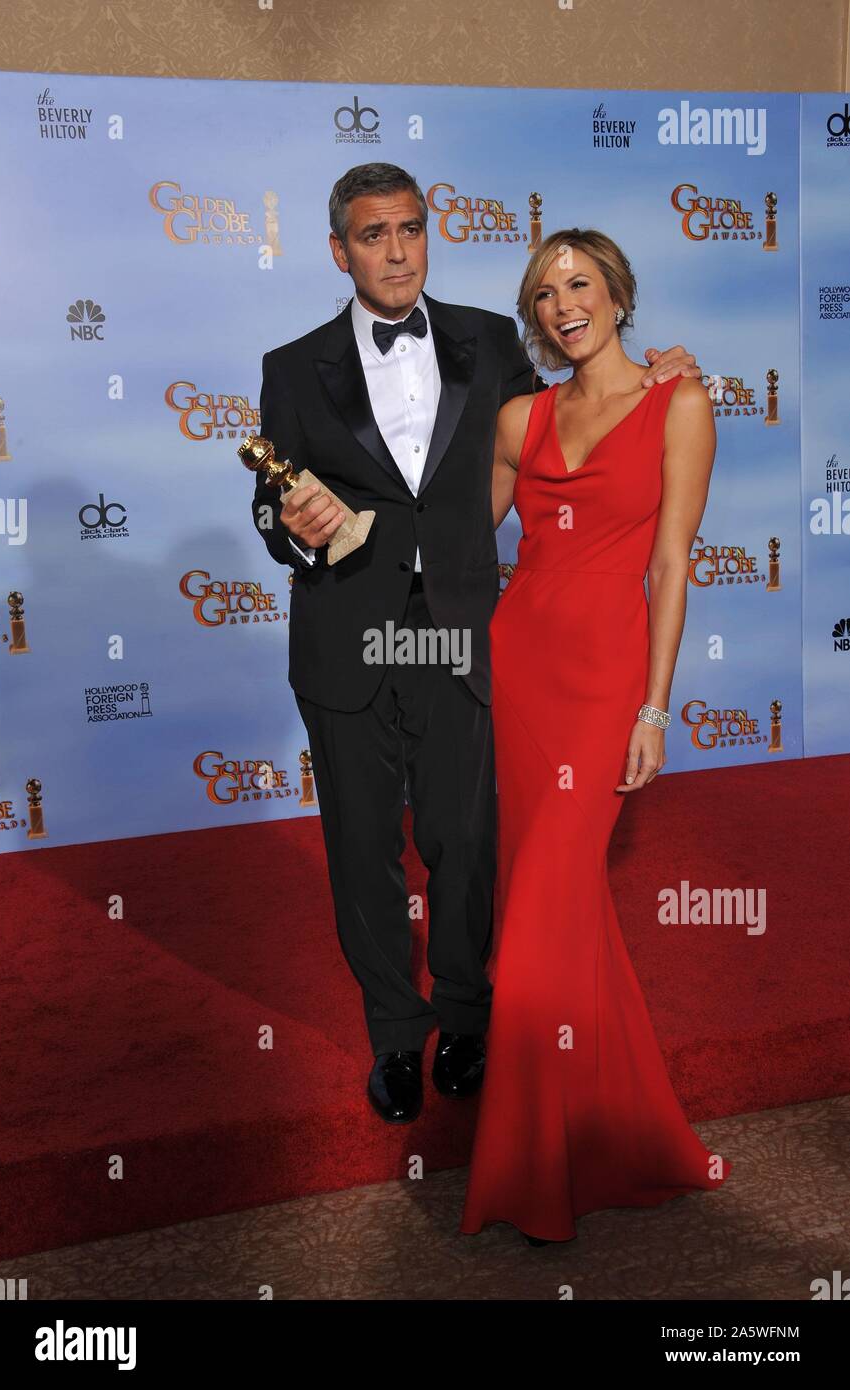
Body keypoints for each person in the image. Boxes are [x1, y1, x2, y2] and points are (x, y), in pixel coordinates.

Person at [251, 164, 703, 1125]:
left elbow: (578, 410)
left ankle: (463, 1017)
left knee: (464, 838)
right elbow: (269, 497)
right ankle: (390, 1035)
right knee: (364, 844)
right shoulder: (291, 367)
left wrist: (665, 368)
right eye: (373, 235)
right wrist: (292, 516)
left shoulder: (490, 341)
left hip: (465, 635)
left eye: (410, 228)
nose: (397, 249)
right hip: (348, 636)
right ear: (340, 250)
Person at [459, 229, 731, 1245]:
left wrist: (654, 707)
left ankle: (533, 1166)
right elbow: (454, 545)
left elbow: (671, 563)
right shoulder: (519, 417)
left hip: (607, 676)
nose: (561, 303)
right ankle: (614, 1129)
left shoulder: (680, 403)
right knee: (555, 906)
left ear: (618, 293)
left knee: (542, 904)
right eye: (542, 293)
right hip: (519, 667)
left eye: (578, 284)